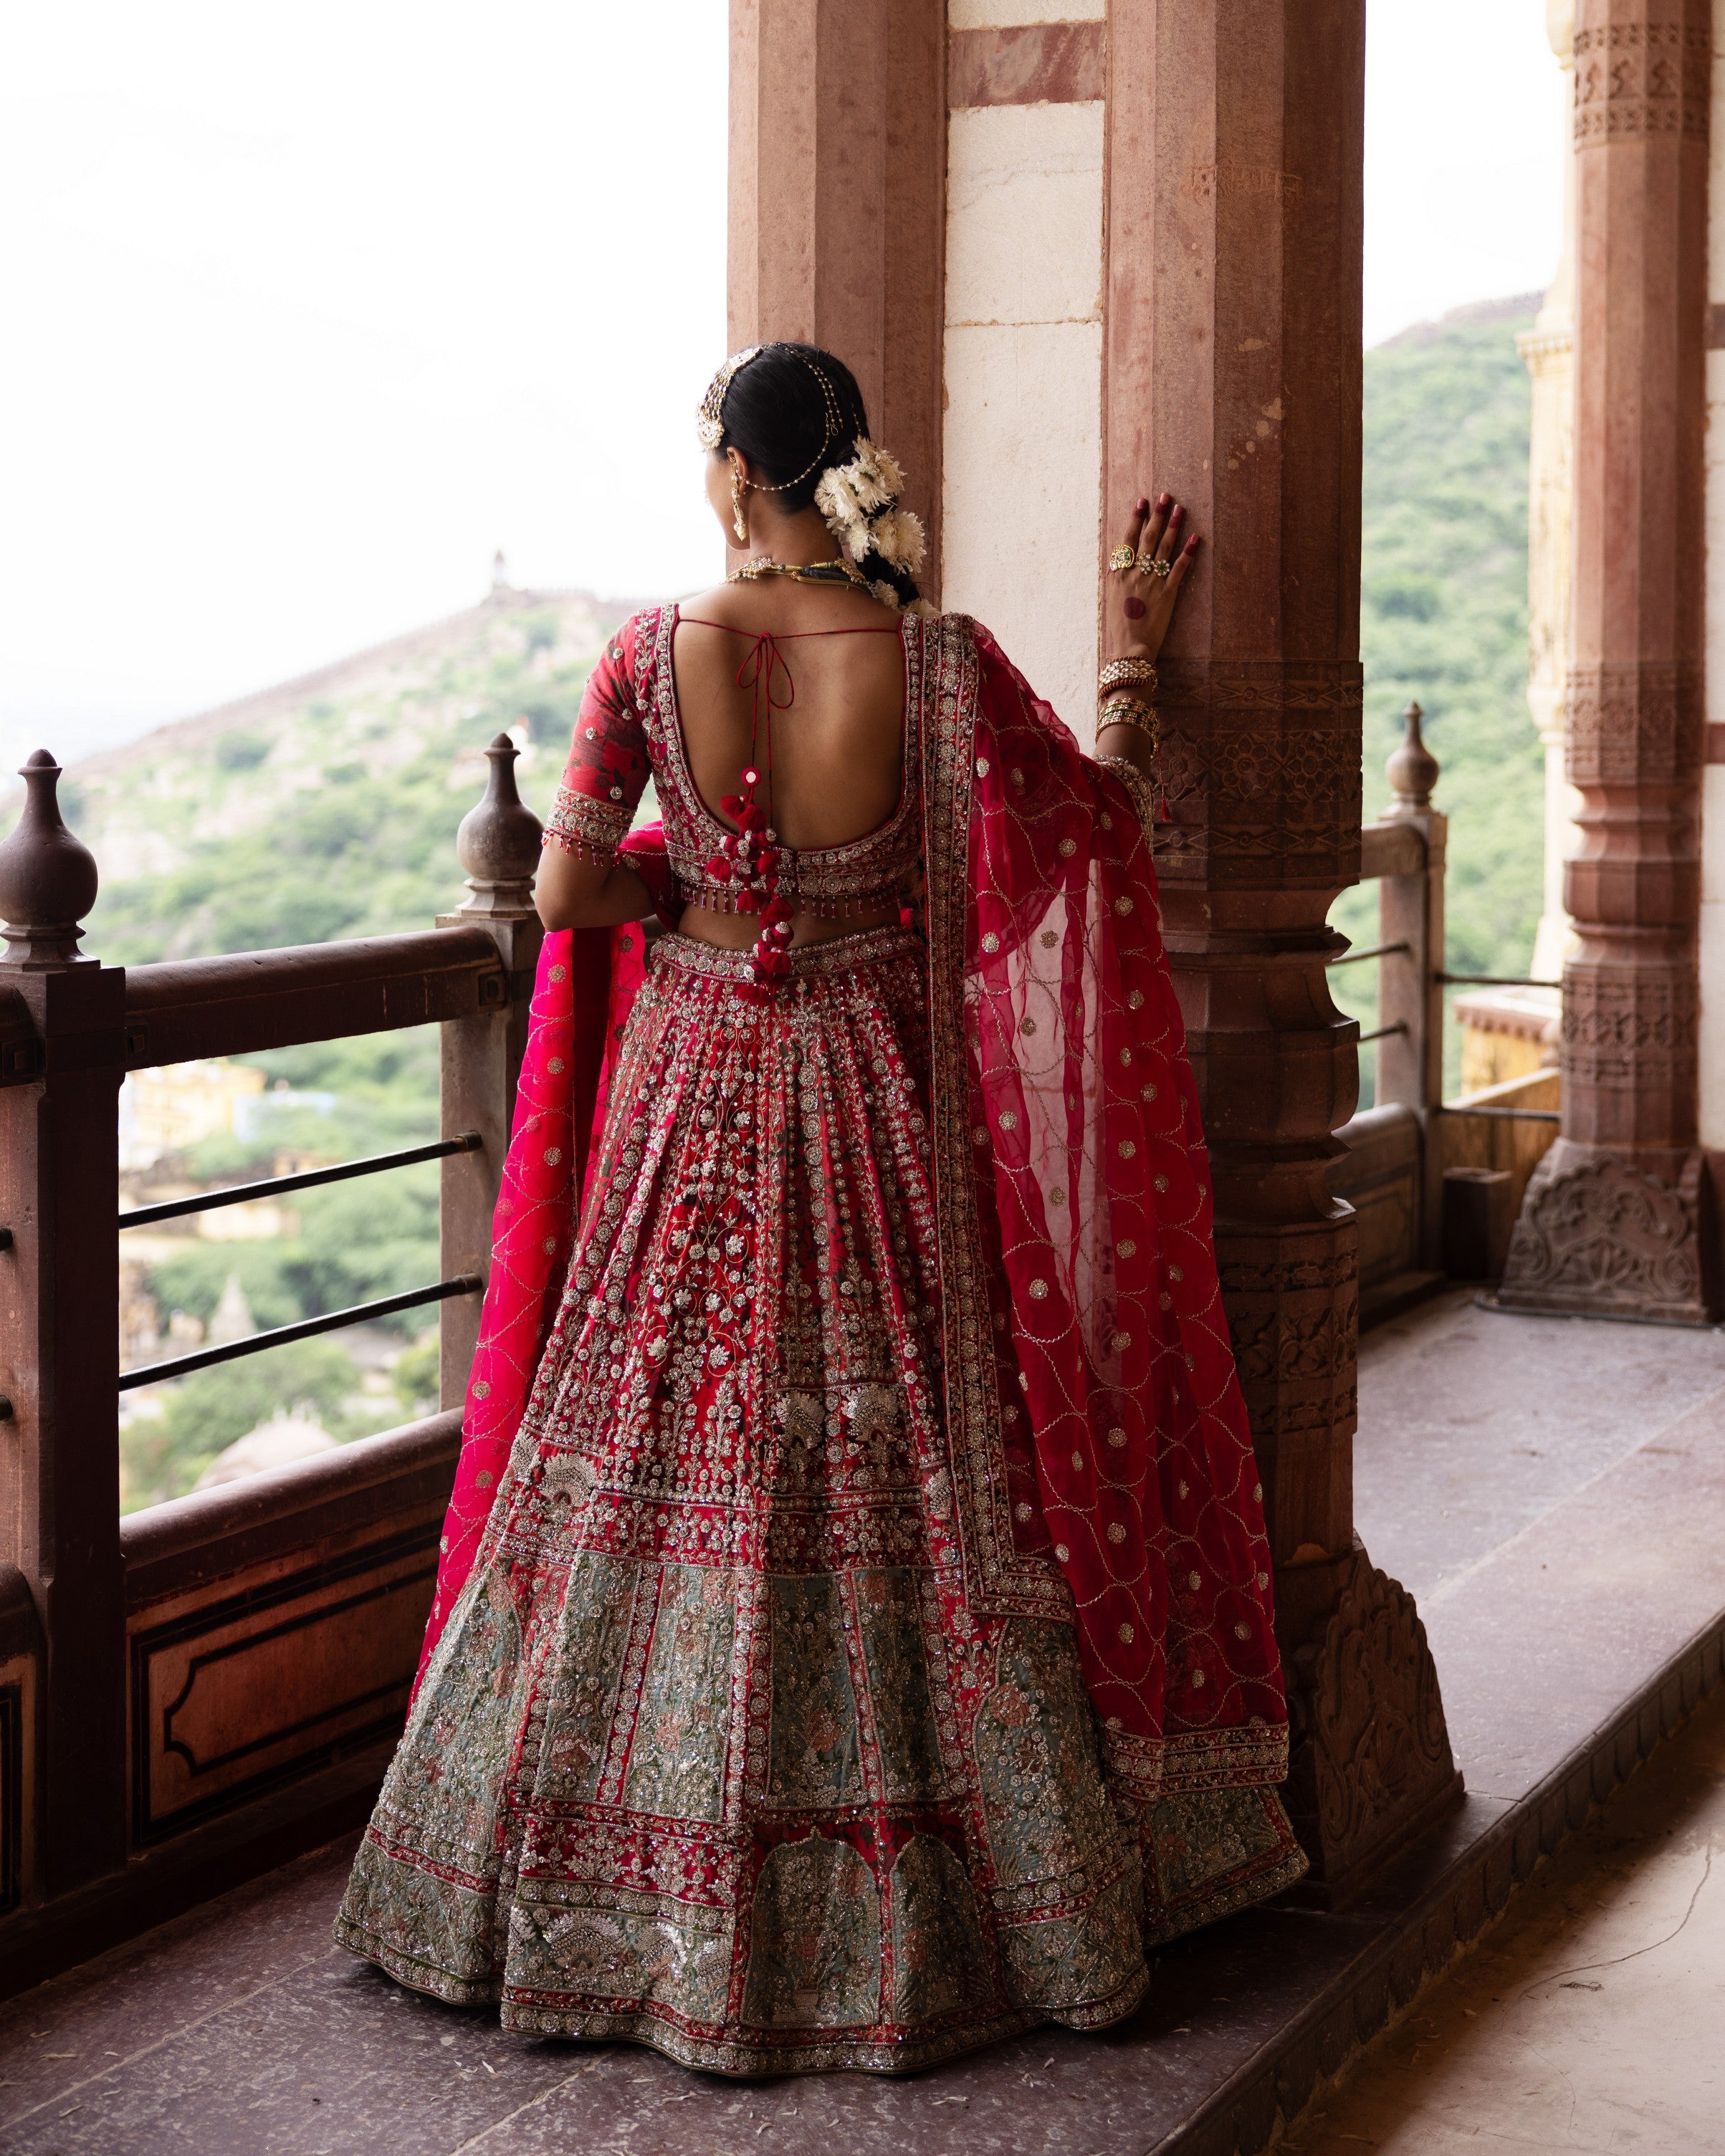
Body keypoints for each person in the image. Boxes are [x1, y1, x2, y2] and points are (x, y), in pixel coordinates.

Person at [336, 342, 1306, 2074]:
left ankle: (579, 1886)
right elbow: (1099, 821)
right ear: (847, 466)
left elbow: (563, 886)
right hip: (870, 1092)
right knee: (902, 1458)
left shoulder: (647, 652)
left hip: (693, 1088)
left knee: (649, 1429)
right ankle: (956, 1896)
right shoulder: (936, 664)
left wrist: (709, 889)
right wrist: (1136, 660)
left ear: (729, 472)